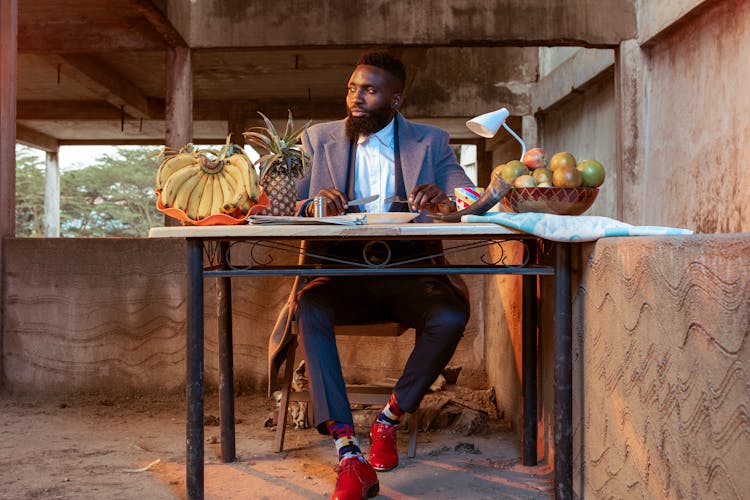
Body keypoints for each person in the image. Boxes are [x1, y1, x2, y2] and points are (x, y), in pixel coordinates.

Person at [280, 50, 475, 500]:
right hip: (343, 272)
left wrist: (446, 205)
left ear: (396, 99)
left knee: (448, 316)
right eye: (352, 88)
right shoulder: (318, 139)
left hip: (408, 271)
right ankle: (349, 452)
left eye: (369, 90)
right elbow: (287, 205)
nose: (356, 98)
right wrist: (313, 206)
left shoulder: (430, 141)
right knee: (308, 305)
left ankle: (390, 418)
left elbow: (466, 195)